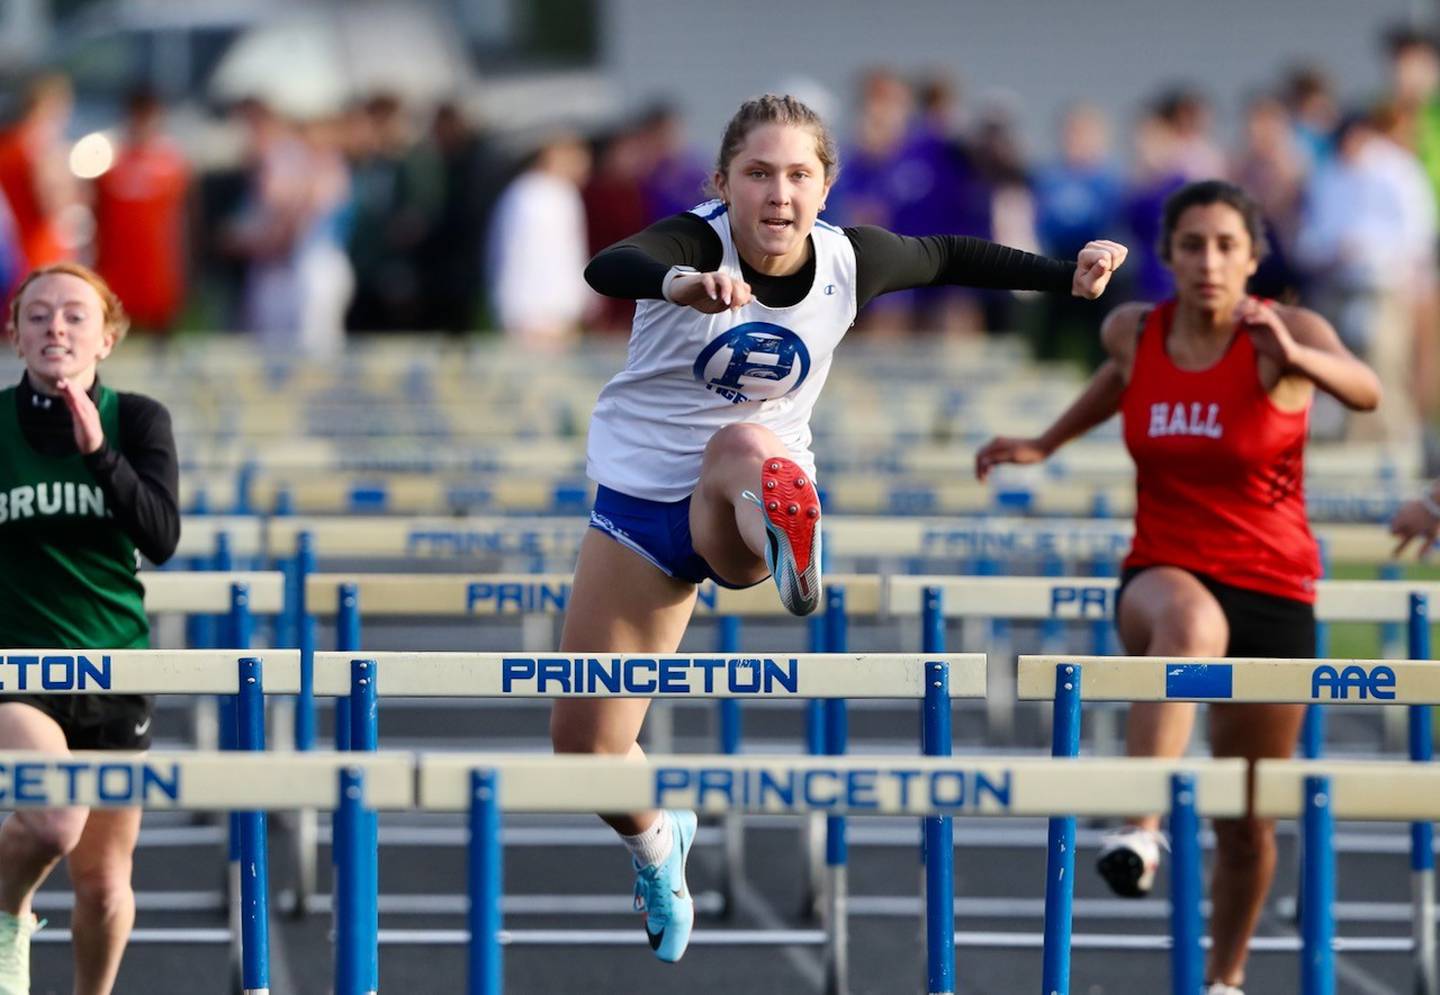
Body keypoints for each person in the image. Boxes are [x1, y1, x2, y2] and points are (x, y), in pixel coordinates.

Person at [555, 93, 1126, 964]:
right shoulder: (691, 240)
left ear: (825, 188)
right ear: (723, 183)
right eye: (757, 174)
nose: (777, 194)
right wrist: (684, 283)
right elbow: (611, 267)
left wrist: (1066, 275)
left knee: (744, 442)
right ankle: (657, 842)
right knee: (586, 749)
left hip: (739, 496)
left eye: (797, 176)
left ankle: (786, 526)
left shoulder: (850, 259)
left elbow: (951, 256)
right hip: (639, 506)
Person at [975, 180, 1379, 995]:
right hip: (1162, 573)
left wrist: (1296, 359)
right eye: (1192, 244)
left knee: (1247, 818)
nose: (1209, 261)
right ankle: (1140, 826)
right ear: (1167, 256)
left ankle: (1224, 979)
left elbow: (1364, 389)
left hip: (1275, 586)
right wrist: (1045, 442)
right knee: (1189, 625)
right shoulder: (1134, 328)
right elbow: (1119, 382)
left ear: (1254, 258)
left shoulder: (1284, 332)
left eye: (1228, 245)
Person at [0, 263, 180, 994]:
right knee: (52, 822)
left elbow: (161, 536)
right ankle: (9, 919)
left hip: (117, 668)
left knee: (103, 884)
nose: (56, 329)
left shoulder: (138, 419)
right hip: (19, 670)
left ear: (105, 337)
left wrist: (98, 451)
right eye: (37, 316)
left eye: (75, 315)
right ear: (14, 335)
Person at [93, 88, 191, 333]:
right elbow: (95, 213)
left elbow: (185, 218)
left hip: (158, 273)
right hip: (117, 270)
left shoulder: (172, 161)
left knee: (160, 341)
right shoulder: (109, 157)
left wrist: (186, 268)